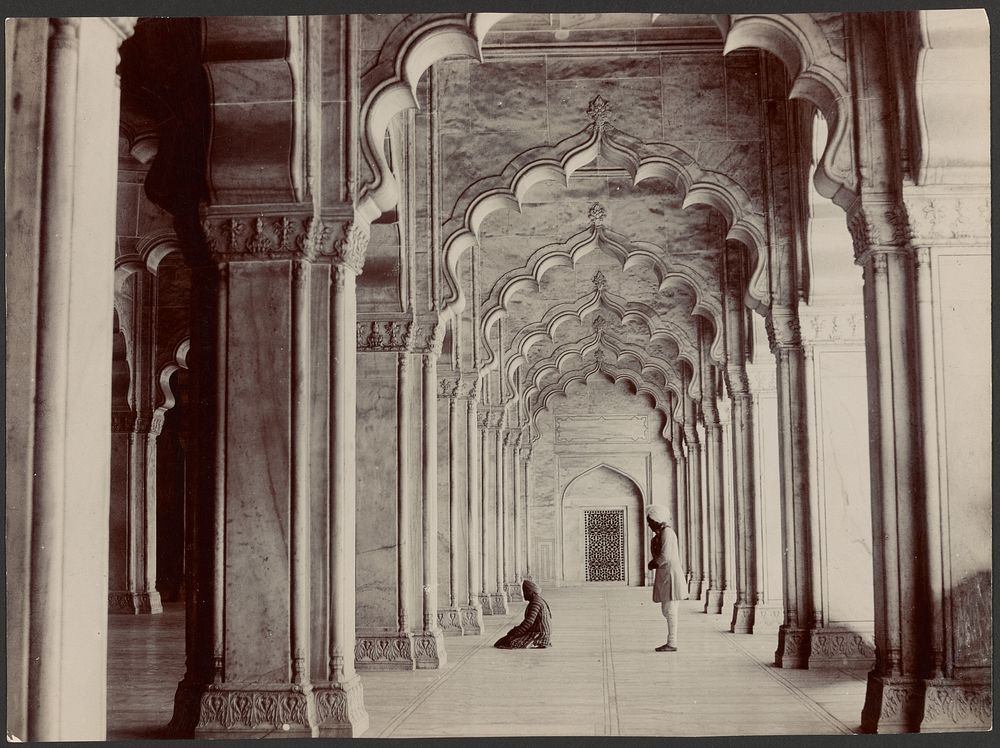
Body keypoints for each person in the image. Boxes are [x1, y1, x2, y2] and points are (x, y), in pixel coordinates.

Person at [646, 504, 688, 652]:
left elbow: (665, 556)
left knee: (670, 610)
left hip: (671, 575)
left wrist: (653, 563)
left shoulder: (667, 533)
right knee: (667, 609)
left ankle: (672, 642)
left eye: (650, 521)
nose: (649, 524)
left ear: (656, 520)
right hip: (666, 575)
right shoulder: (660, 534)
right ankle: (671, 641)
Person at [493, 579, 552, 649]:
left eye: (525, 592)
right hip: (537, 632)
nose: (524, 594)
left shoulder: (535, 603)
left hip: (540, 634)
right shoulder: (537, 600)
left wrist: (516, 633)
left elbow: (528, 622)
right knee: (503, 641)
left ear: (531, 592)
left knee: (511, 642)